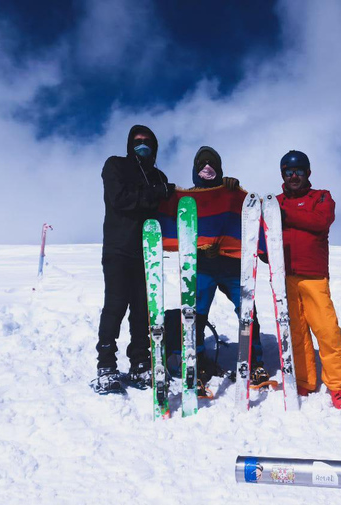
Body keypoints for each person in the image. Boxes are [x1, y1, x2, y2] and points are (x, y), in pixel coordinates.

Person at [158, 146, 267, 392]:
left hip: (232, 265)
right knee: (194, 315)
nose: (207, 167)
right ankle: (197, 362)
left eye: (212, 163)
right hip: (202, 267)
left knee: (248, 311)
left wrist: (236, 191)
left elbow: (248, 215)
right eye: (202, 163)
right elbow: (182, 230)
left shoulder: (229, 193)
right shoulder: (186, 199)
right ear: (195, 170)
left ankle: (255, 361)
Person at [93, 125, 175, 394]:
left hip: (147, 251)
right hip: (118, 248)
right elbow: (120, 200)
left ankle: (140, 361)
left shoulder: (158, 176)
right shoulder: (115, 166)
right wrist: (155, 193)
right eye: (138, 141)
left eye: (148, 141)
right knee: (115, 306)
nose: (143, 145)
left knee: (142, 310)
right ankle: (106, 365)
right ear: (130, 143)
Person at [276, 150, 341, 408]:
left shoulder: (321, 197)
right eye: (288, 172)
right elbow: (265, 232)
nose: (293, 176)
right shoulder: (276, 202)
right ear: (283, 174)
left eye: (298, 171)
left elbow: (321, 222)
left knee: (327, 331)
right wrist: (264, 251)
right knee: (296, 333)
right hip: (285, 277)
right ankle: (305, 381)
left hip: (314, 277)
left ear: (307, 172)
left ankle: (338, 385)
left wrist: (284, 215)